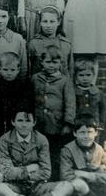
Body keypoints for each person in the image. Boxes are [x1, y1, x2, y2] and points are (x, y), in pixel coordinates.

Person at [0, 110, 74, 196]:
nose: (24, 125)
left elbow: (46, 172)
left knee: (67, 187)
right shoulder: (4, 140)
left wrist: (22, 172)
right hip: (15, 186)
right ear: (13, 122)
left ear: (34, 122)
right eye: (20, 120)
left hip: (37, 186)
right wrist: (29, 169)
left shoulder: (41, 140)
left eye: (28, 121)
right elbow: (6, 172)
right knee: (0, 188)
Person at [31, 45, 76, 179]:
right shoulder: (35, 79)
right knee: (39, 152)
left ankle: (55, 178)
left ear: (60, 63)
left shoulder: (64, 81)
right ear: (42, 62)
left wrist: (68, 123)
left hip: (56, 125)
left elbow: (70, 103)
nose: (51, 65)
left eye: (55, 62)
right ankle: (40, 178)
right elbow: (30, 99)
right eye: (48, 62)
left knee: (54, 153)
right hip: (39, 124)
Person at [60, 115, 106, 196]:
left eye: (90, 132)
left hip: (97, 188)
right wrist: (98, 172)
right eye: (82, 132)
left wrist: (84, 174)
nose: (86, 136)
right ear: (75, 133)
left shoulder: (100, 150)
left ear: (96, 133)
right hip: (79, 190)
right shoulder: (67, 150)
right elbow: (65, 176)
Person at [0, 52, 34, 143]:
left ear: (18, 70)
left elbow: (27, 107)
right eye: (5, 69)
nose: (9, 73)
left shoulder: (24, 87)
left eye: (12, 70)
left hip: (17, 124)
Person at [27, 5, 73, 77]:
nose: (48, 25)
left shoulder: (66, 44)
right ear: (40, 22)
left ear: (58, 22)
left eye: (52, 21)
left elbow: (70, 70)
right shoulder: (34, 43)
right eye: (45, 21)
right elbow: (29, 70)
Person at [73, 59, 106, 134]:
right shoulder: (73, 92)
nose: (85, 78)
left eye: (88, 75)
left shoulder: (98, 92)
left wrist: (101, 123)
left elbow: (103, 109)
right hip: (78, 124)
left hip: (94, 124)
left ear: (93, 75)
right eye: (81, 75)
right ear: (76, 76)